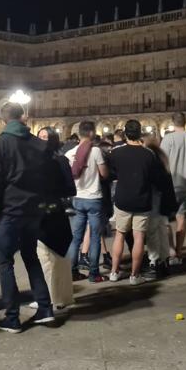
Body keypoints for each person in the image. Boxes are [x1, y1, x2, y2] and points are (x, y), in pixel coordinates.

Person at [0, 102, 54, 334]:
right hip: (34, 209)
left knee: (5, 261)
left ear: (3, 120)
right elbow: (48, 176)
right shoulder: (38, 143)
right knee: (30, 256)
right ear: (22, 117)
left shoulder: (0, 144)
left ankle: (12, 317)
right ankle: (45, 307)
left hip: (10, 210)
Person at [106, 120, 168, 286]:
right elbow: (155, 178)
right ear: (140, 133)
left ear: (125, 134)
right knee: (139, 237)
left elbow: (110, 174)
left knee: (120, 233)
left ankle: (114, 272)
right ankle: (134, 275)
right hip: (142, 199)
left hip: (122, 198)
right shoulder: (148, 154)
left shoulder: (116, 153)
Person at [33, 127, 76, 309]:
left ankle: (50, 298)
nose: (42, 140)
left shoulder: (58, 161)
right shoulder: (59, 160)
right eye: (40, 137)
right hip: (53, 209)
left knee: (50, 256)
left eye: (46, 137)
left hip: (49, 210)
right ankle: (60, 297)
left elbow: (70, 188)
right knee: (55, 255)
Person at [64, 121, 107, 283]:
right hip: (94, 198)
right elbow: (104, 174)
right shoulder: (96, 151)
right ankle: (94, 273)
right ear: (91, 133)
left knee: (76, 237)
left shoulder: (70, 153)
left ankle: (72, 270)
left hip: (77, 198)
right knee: (95, 237)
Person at [160, 112, 186, 265]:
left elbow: (163, 160)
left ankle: (171, 252)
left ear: (172, 122)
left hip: (170, 184)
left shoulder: (168, 139)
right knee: (181, 218)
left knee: (164, 219)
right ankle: (179, 251)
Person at [143, 135, 177, 281]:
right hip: (164, 197)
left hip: (154, 196)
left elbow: (151, 178)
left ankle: (154, 261)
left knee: (152, 230)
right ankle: (164, 261)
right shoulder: (162, 156)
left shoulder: (150, 157)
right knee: (163, 228)